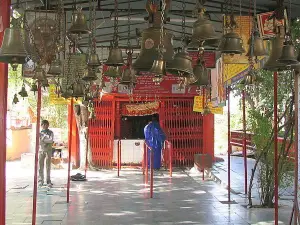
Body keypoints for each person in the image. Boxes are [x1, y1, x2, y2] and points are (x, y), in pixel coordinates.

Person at [38, 120, 54, 187]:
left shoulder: (50, 132)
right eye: (43, 124)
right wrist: (44, 140)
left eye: (46, 124)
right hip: (41, 151)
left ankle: (48, 181)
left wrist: (43, 140)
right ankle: (40, 181)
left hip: (48, 151)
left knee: (48, 166)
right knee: (40, 166)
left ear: (48, 125)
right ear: (41, 125)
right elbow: (39, 142)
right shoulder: (39, 133)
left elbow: (51, 140)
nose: (44, 126)